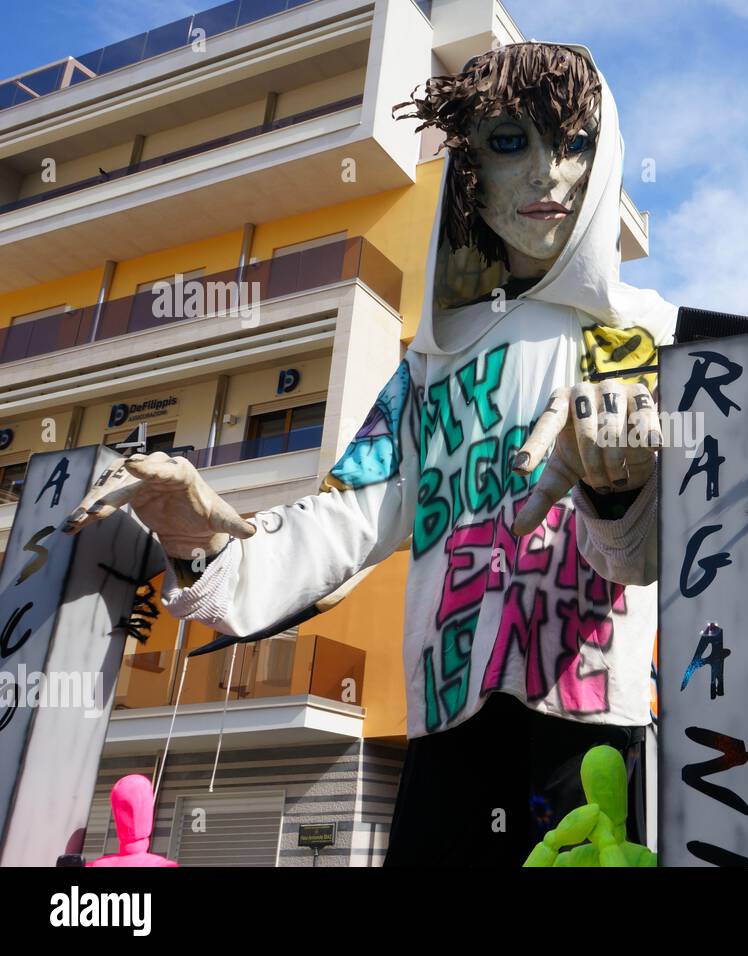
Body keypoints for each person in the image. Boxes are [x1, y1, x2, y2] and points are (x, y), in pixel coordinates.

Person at [65, 42, 673, 867]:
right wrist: (200, 537)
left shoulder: (647, 337)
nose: (548, 176)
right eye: (508, 142)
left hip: (589, 724)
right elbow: (349, 517)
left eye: (574, 144)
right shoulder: (429, 367)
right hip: (445, 728)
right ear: (468, 171)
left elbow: (646, 557)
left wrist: (615, 482)